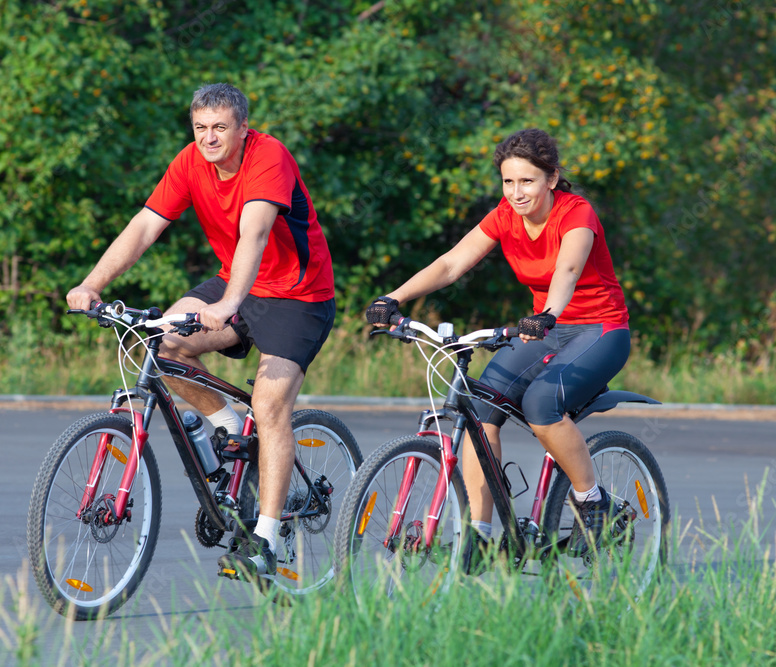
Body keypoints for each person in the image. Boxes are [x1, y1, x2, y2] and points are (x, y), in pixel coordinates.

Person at [67, 83, 336, 580]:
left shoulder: (268, 156)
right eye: (200, 128)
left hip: (299, 296)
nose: (208, 138)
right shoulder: (190, 161)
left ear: (241, 128)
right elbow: (145, 226)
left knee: (271, 404)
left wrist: (230, 304)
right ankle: (229, 430)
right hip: (236, 281)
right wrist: (91, 284)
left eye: (219, 128)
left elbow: (255, 232)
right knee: (159, 343)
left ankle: (266, 539)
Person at [366, 128, 631, 570]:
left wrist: (549, 312)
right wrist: (393, 298)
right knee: (480, 407)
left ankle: (593, 501)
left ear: (551, 178)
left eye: (526, 181)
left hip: (598, 330)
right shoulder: (505, 216)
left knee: (541, 403)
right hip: (543, 329)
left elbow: (567, 269)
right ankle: (481, 535)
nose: (516, 192)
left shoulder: (576, 213)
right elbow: (452, 262)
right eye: (508, 182)